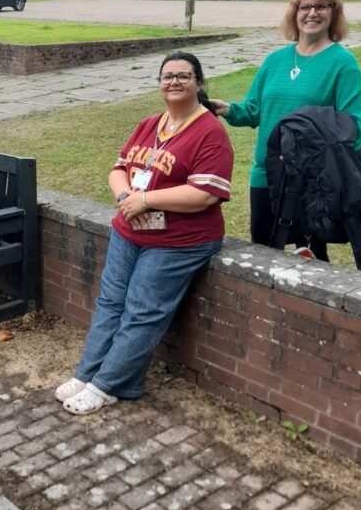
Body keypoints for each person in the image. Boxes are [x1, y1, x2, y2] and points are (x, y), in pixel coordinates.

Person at [55, 51, 234, 415]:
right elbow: (119, 167)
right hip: (129, 231)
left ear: (199, 83)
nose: (174, 82)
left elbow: (204, 193)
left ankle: (110, 385)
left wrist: (147, 200)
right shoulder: (150, 123)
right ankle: (89, 372)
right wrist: (126, 197)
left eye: (183, 76)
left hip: (179, 240)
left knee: (143, 310)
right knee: (110, 302)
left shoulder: (210, 133)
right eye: (167, 76)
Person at [209, 0, 361, 258]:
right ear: (295, 13)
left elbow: (354, 127)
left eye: (322, 6)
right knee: (263, 252)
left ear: (334, 12)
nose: (312, 13)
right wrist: (228, 109)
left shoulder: (343, 64)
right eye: (305, 6)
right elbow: (255, 110)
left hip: (310, 180)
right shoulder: (275, 60)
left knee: (310, 257)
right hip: (266, 173)